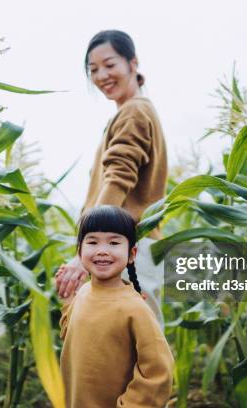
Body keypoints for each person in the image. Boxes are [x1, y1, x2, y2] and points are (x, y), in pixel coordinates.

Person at [56, 30, 168, 325]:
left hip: (127, 250)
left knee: (133, 355)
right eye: (93, 70)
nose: (102, 75)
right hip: (126, 248)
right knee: (132, 351)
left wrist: (89, 250)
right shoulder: (136, 111)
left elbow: (118, 179)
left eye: (109, 64)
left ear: (133, 63)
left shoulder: (134, 113)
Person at [58, 205, 174, 408]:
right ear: (80, 251)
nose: (102, 250)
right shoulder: (83, 293)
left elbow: (158, 370)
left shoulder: (135, 308)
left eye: (113, 243)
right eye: (92, 242)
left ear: (131, 254)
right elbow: (73, 333)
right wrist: (67, 300)